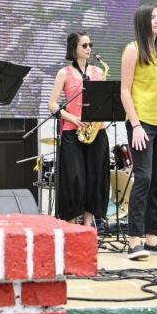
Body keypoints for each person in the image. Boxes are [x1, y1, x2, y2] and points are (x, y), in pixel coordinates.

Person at [120, 5, 157, 260]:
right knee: (143, 178)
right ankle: (134, 240)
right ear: (143, 21)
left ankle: (152, 238)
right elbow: (125, 91)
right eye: (153, 17)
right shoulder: (133, 50)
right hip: (142, 123)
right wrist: (135, 125)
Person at [46, 31, 109, 226]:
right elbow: (52, 104)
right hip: (72, 131)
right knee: (74, 180)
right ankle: (71, 228)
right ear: (74, 49)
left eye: (90, 44)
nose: (89, 48)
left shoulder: (98, 72)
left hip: (96, 132)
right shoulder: (64, 73)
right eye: (84, 45)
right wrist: (71, 117)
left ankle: (88, 227)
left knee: (95, 178)